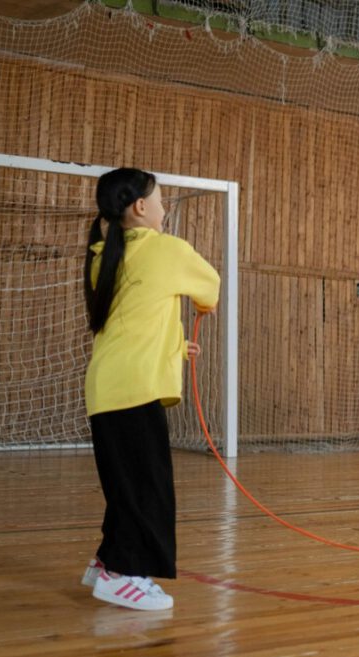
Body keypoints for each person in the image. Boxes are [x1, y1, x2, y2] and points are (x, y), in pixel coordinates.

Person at [79, 168, 220, 610]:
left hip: (106, 389)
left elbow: (133, 319)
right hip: (135, 390)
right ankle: (123, 575)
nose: (163, 208)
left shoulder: (103, 257)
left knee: (128, 484)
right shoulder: (167, 249)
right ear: (141, 207)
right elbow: (210, 289)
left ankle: (106, 562)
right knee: (148, 490)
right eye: (161, 200)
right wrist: (200, 304)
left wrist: (174, 344)